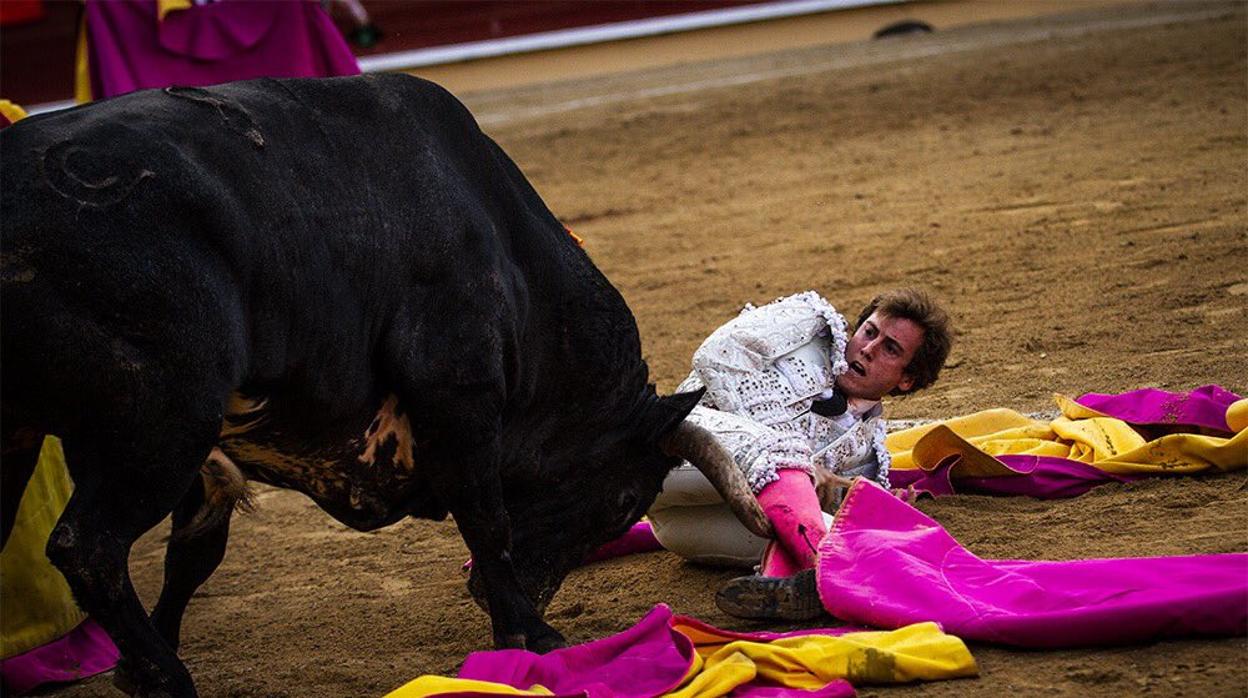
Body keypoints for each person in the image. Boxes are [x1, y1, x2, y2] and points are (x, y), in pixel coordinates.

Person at [647, 288, 951, 601]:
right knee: (781, 455)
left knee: (843, 536)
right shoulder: (807, 323)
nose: (868, 349)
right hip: (662, 458)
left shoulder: (867, 451)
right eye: (869, 332)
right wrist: (796, 464)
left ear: (907, 379)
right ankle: (821, 576)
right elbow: (716, 356)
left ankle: (796, 589)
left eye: (890, 349)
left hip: (683, 526)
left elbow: (825, 509)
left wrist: (869, 501)